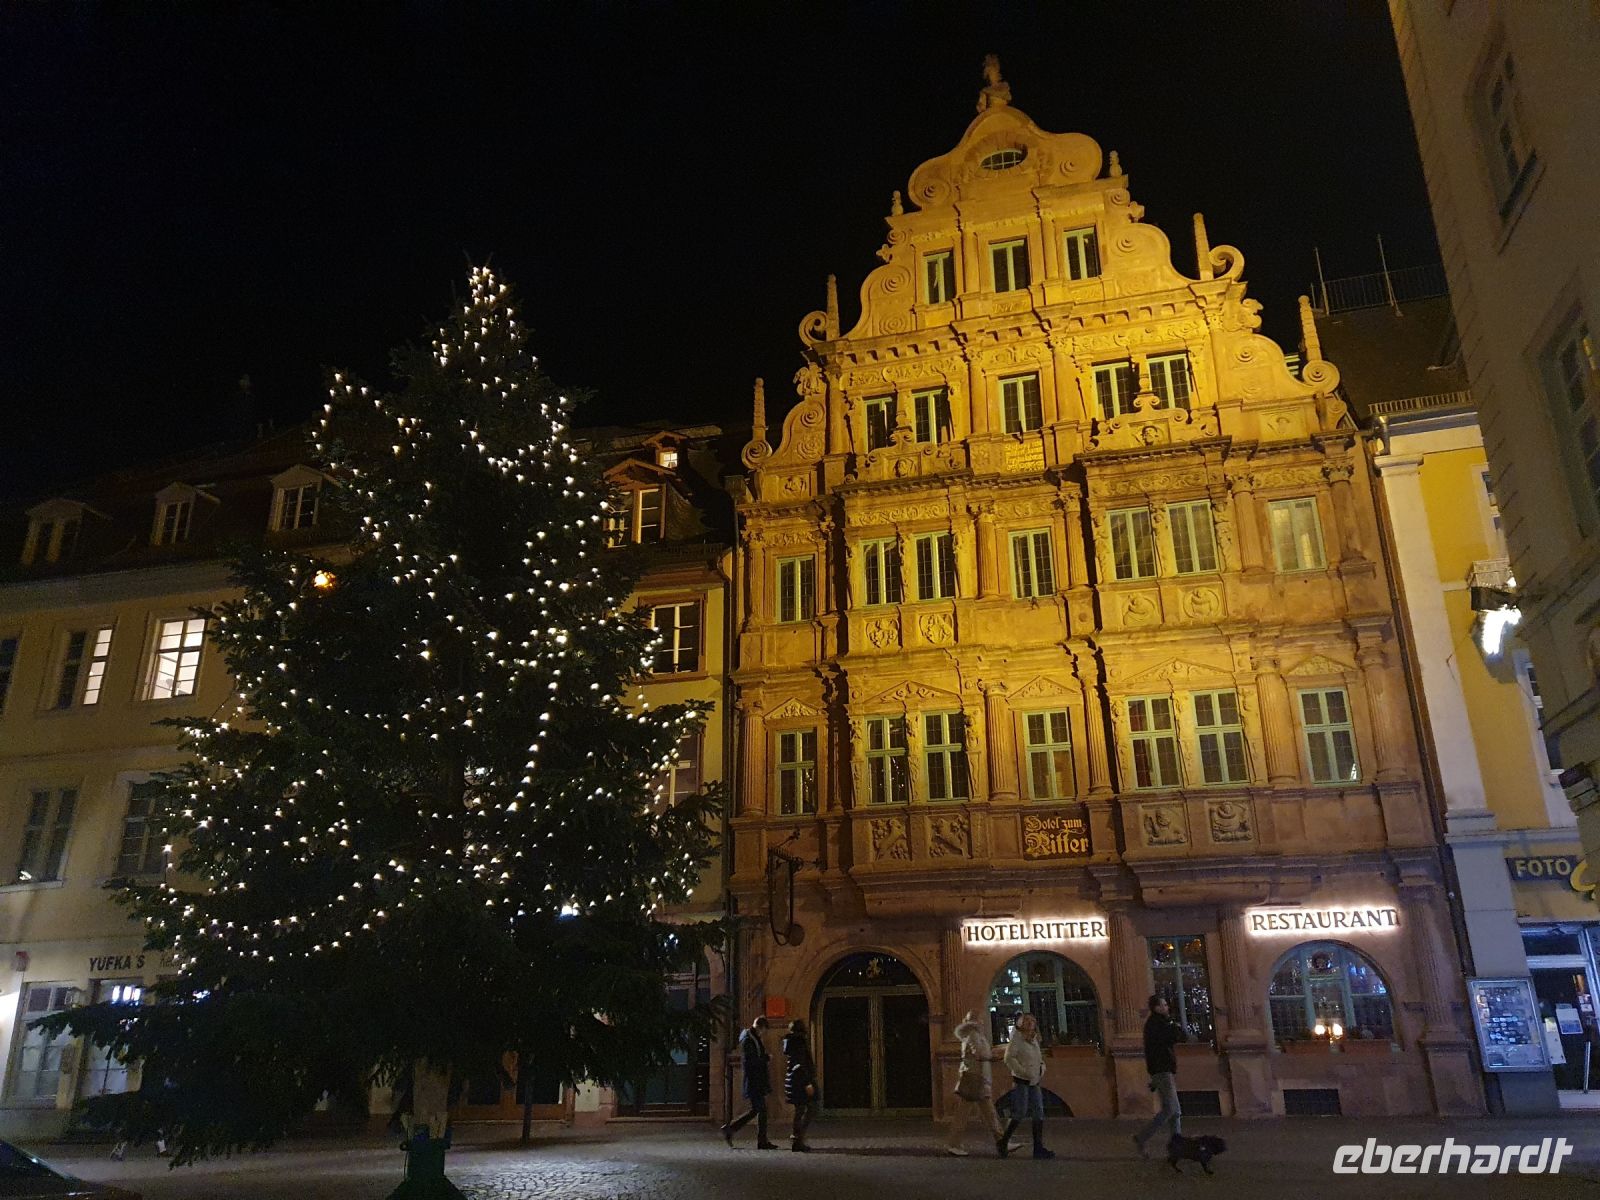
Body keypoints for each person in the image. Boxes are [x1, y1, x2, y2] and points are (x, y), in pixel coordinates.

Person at [946, 1010, 1016, 1157]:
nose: (982, 1022)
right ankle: (954, 1144)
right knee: (965, 1113)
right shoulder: (973, 1035)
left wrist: (992, 1052)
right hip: (974, 1078)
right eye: (980, 1020)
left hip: (977, 1078)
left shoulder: (973, 1035)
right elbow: (980, 1054)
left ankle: (1002, 1141)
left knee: (988, 1112)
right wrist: (994, 1054)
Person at [1133, 993, 1188, 1157]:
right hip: (1162, 1070)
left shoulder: (1159, 1023)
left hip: (1163, 1070)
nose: (1167, 1008)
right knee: (1171, 1109)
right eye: (1163, 1005)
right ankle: (1142, 1137)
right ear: (1156, 1008)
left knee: (1175, 1111)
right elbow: (1176, 1037)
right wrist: (1174, 1026)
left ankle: (1176, 1147)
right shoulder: (1156, 1024)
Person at [999, 1012, 1053, 1159]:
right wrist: (1022, 1072)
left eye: (1032, 1021)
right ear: (1021, 1024)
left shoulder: (1034, 1039)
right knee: (1020, 1112)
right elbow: (1009, 1058)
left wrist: (1042, 1067)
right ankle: (1003, 1142)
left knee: (1038, 1112)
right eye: (1027, 1021)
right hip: (1022, 1081)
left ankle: (1038, 1147)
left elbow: (1038, 1057)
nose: (1030, 1023)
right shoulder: (1017, 1040)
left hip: (1035, 1080)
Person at [721, 1015, 778, 1149]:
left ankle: (758, 1139)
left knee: (758, 1110)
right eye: (763, 1030)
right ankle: (732, 1129)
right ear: (759, 1027)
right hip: (754, 1080)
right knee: (759, 1110)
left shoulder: (753, 1038)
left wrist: (764, 1057)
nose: (763, 1033)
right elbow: (750, 1061)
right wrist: (765, 1059)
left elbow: (754, 1057)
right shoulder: (749, 1040)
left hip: (756, 1080)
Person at [782, 1019, 817, 1152]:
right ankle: (797, 1139)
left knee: (800, 1110)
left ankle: (797, 1138)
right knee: (810, 1108)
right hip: (801, 1081)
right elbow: (799, 1064)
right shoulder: (799, 1042)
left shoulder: (791, 1041)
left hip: (794, 1081)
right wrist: (807, 1083)